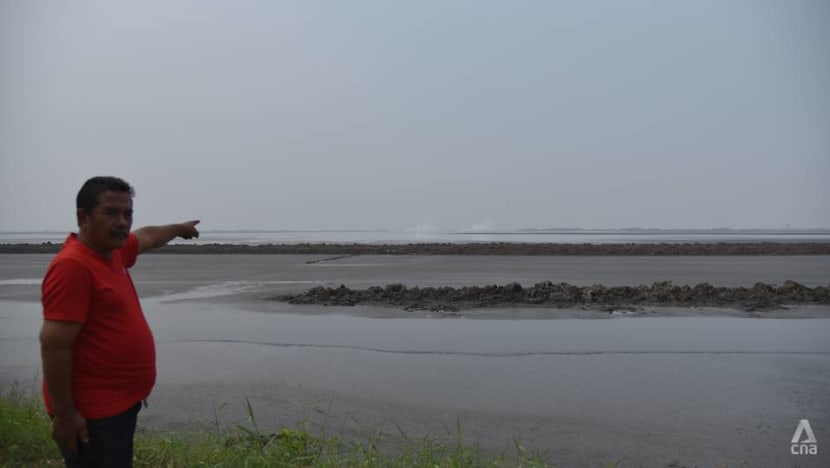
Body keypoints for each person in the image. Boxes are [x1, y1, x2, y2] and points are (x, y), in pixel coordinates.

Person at [39, 176, 200, 467]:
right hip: (93, 414)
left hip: (118, 405)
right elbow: (54, 346)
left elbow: (148, 235)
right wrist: (64, 416)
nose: (122, 222)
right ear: (83, 217)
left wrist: (179, 229)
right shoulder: (73, 266)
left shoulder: (111, 253)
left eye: (128, 213)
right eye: (111, 213)